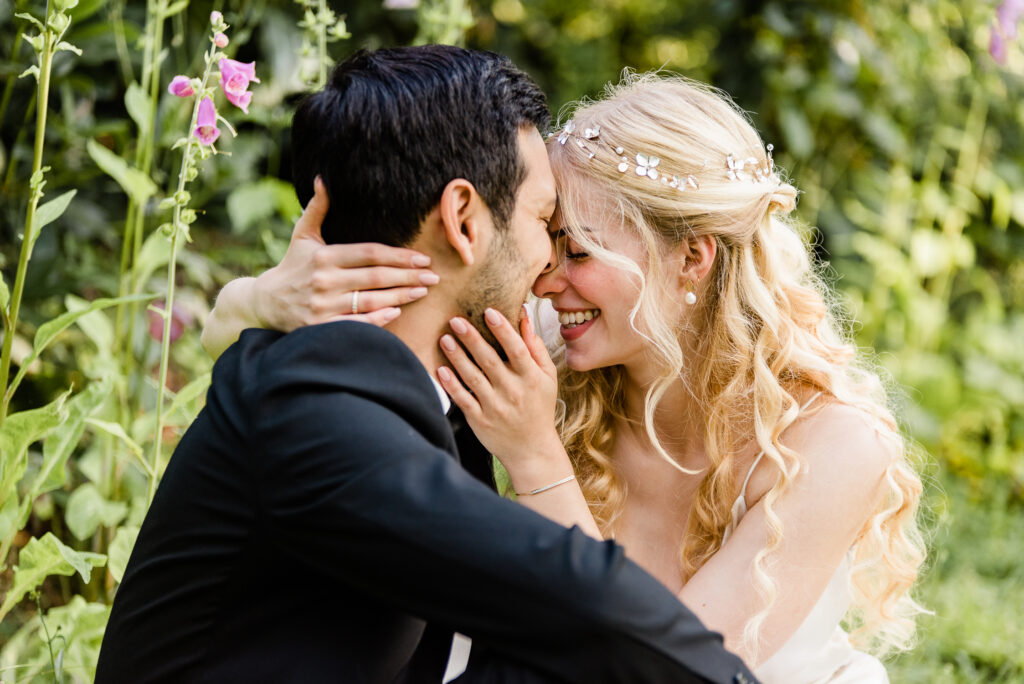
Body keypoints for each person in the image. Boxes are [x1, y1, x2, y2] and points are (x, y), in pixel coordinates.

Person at [205, 71, 929, 683]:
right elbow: (318, 356)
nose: (546, 279)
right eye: (547, 240)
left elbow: (659, 667)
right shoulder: (548, 351)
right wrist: (259, 298)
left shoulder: (830, 445)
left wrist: (535, 457)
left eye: (577, 251)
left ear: (692, 259)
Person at [97, 47, 758, 684]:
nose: (548, 270)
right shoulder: (316, 408)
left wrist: (250, 298)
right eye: (543, 219)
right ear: (463, 220)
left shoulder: (447, 366)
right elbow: (570, 590)